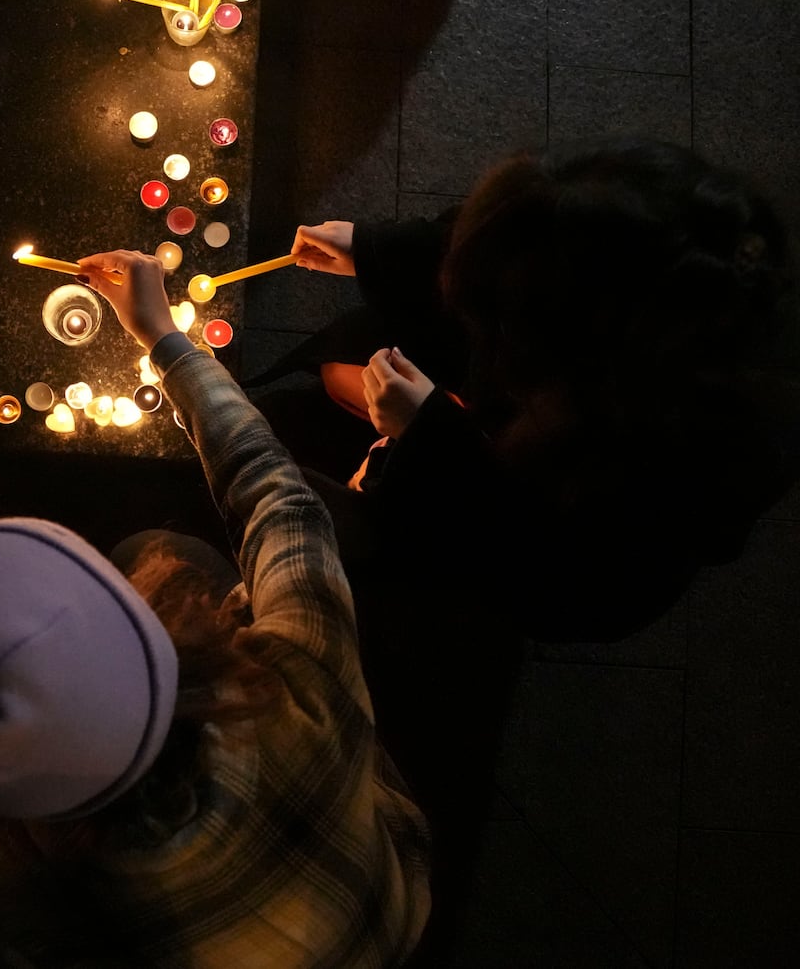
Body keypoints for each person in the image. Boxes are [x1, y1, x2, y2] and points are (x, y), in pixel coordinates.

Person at [0, 249, 433, 969]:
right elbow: (281, 496)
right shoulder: (297, 677)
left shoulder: (7, 889)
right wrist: (164, 337)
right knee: (162, 547)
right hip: (391, 896)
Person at [250, 137, 800, 642]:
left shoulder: (665, 474)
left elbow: (529, 553)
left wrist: (429, 440)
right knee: (338, 371)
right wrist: (373, 249)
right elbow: (520, 235)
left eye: (497, 322)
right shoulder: (633, 228)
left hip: (524, 547)